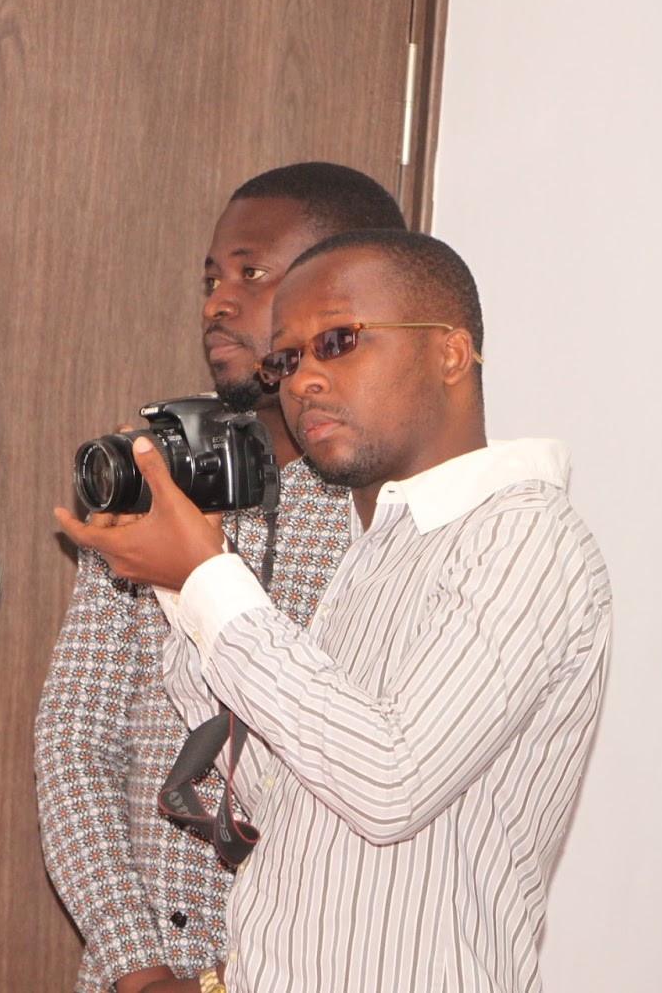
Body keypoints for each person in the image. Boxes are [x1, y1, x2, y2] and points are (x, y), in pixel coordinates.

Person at [58, 230, 610, 993]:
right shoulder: (379, 548)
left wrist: (208, 575)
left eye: (338, 342)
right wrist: (178, 588)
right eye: (286, 361)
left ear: (451, 353)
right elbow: (284, 791)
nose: (304, 381)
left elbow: (389, 784)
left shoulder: (523, 538)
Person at [34, 163, 405, 993]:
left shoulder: (388, 500)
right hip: (135, 971)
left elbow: (372, 777)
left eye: (251, 273)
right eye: (211, 280)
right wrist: (134, 963)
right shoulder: (155, 467)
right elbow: (77, 735)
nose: (217, 304)